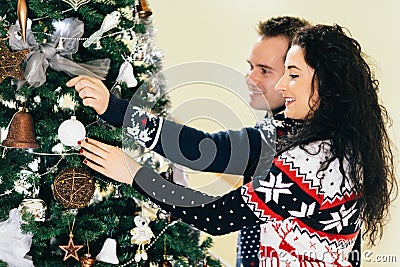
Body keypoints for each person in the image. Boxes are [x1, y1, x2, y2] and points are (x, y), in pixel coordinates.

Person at [78, 24, 397, 266]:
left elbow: (214, 216)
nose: (281, 84)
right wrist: (115, 110)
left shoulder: (313, 162)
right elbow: (203, 148)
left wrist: (136, 173)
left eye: (292, 74)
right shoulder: (326, 139)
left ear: (325, 84)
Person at [68, 16, 312, 266]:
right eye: (251, 66)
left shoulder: (305, 149)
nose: (250, 79)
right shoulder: (279, 130)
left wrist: (131, 164)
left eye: (265, 70)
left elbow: (202, 156)